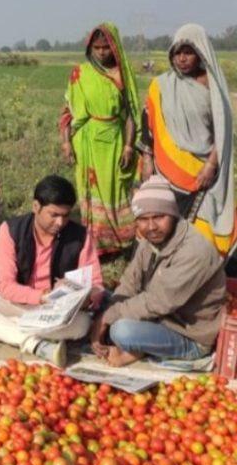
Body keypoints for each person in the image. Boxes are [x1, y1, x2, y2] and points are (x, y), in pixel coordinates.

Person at [0, 175, 104, 368]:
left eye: (65, 215)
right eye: (54, 215)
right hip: (19, 303)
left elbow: (97, 284)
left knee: (83, 325)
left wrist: (86, 296)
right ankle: (34, 343)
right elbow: (5, 286)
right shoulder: (10, 231)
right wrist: (42, 296)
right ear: (36, 207)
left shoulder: (80, 236)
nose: (60, 222)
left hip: (58, 313)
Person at [91, 176, 226, 369]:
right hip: (158, 317)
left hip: (186, 333)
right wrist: (107, 313)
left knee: (121, 331)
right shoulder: (151, 240)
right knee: (100, 301)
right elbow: (131, 280)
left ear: (173, 214)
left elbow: (159, 301)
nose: (151, 226)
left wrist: (108, 318)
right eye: (144, 220)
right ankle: (139, 346)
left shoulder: (195, 250)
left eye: (159, 217)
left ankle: (143, 348)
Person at [139, 23, 235, 255]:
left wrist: (211, 164)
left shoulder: (212, 86)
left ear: (200, 53)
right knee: (165, 220)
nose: (182, 58)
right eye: (177, 52)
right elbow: (148, 122)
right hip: (166, 172)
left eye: (188, 52)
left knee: (202, 227)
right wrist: (148, 159)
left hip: (202, 171)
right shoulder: (160, 85)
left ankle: (200, 272)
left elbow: (222, 131)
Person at [59, 23, 140, 257]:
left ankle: (121, 240)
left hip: (114, 139)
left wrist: (128, 146)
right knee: (90, 189)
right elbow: (68, 112)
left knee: (115, 187)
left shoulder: (122, 74)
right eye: (97, 48)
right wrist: (66, 142)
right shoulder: (80, 73)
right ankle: (96, 245)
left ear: (114, 47)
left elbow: (130, 113)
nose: (101, 52)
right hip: (87, 141)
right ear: (90, 48)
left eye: (106, 47)